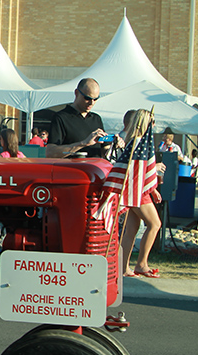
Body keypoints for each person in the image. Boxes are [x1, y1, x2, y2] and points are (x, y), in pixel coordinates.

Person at [119, 109, 163, 278]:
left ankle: (123, 267)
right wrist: (152, 189)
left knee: (131, 229)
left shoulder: (133, 141)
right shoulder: (140, 143)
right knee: (154, 224)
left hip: (134, 190)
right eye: (152, 122)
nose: (154, 126)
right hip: (138, 191)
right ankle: (142, 264)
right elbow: (139, 173)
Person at [46, 78, 122, 158]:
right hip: (73, 168)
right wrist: (83, 143)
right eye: (87, 98)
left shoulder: (96, 119)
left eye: (95, 99)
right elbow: (50, 153)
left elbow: (104, 151)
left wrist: (115, 145)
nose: (91, 103)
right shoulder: (61, 117)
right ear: (77, 93)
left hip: (94, 168)